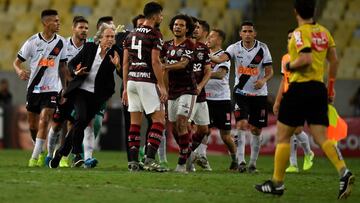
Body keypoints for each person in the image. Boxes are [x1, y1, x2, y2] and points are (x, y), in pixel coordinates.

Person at [255, 0, 354, 199]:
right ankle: (344, 172)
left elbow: (306, 59)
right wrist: (331, 88)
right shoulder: (325, 32)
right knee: (322, 137)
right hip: (318, 87)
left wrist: (290, 66)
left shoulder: (300, 33)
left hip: (300, 88)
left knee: (283, 136)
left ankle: (277, 183)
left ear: (295, 12)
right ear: (314, 11)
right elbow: (334, 60)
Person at [49, 23, 120, 168]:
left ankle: (60, 154)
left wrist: (117, 66)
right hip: (80, 91)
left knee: (79, 125)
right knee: (80, 119)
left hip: (97, 97)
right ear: (100, 38)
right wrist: (76, 72)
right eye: (107, 36)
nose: (110, 39)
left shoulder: (116, 53)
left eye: (112, 37)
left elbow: (122, 74)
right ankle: (77, 154)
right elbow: (71, 64)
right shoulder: (89, 48)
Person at [211, 21, 274, 173]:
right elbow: (221, 59)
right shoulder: (234, 48)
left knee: (256, 130)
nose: (247, 34)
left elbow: (270, 71)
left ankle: (253, 164)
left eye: (250, 31)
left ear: (254, 33)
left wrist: (263, 80)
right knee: (240, 125)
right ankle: (241, 162)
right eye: (244, 31)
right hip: (241, 93)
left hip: (259, 94)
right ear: (240, 33)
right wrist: (206, 54)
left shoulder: (263, 48)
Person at [13, 9, 68, 167]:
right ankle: (39, 149)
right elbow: (16, 63)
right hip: (33, 89)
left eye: (59, 21)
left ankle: (34, 158)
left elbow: (63, 67)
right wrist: (19, 71)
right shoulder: (32, 42)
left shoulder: (61, 42)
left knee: (45, 120)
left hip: (51, 88)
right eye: (55, 21)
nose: (58, 23)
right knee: (32, 126)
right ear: (45, 23)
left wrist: (64, 89)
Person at [122, 1, 167, 172]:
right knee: (159, 120)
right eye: (161, 15)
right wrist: (161, 86)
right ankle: (149, 160)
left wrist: (125, 87)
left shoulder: (130, 34)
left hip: (132, 81)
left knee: (135, 123)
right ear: (155, 15)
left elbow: (125, 63)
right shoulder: (155, 34)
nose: (162, 18)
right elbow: (155, 61)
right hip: (147, 81)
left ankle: (133, 162)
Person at [45, 16, 90, 168]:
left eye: (86, 28)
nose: (84, 30)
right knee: (57, 125)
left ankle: (64, 157)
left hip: (79, 92)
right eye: (81, 27)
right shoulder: (62, 44)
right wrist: (61, 88)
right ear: (73, 28)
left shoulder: (89, 47)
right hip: (63, 90)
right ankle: (49, 154)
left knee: (73, 124)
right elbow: (53, 64)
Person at [273, 29, 314, 173]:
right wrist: (277, 101)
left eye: (293, 38)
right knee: (287, 130)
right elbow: (284, 80)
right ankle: (293, 164)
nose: (290, 40)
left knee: (296, 129)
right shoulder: (285, 58)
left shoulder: (305, 58)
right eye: (288, 38)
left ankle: (309, 153)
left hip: (300, 95)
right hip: (287, 97)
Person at [162, 14, 196, 173]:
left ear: (187, 28)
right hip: (172, 91)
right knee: (175, 128)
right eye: (175, 24)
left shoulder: (189, 44)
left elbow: (183, 64)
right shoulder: (166, 45)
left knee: (183, 123)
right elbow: (159, 62)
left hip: (187, 89)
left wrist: (165, 67)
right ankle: (188, 152)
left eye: (181, 25)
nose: (177, 27)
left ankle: (181, 164)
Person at [204, 28, 238, 170]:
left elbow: (220, 74)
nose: (208, 39)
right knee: (203, 130)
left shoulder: (224, 56)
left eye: (211, 36)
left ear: (219, 40)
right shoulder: (204, 55)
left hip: (221, 100)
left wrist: (203, 74)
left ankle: (235, 159)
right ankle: (201, 158)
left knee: (225, 136)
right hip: (205, 99)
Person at [185, 18, 212, 172]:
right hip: (185, 93)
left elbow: (208, 71)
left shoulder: (203, 48)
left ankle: (190, 153)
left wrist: (201, 85)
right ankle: (187, 160)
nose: (195, 30)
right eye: (193, 27)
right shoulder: (180, 46)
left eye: (197, 27)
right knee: (186, 127)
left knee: (203, 130)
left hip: (199, 94)